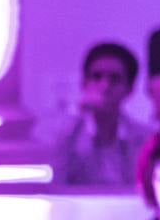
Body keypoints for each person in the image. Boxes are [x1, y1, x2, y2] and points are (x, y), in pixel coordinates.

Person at [43, 41, 153, 186]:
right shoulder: (64, 135)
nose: (105, 86)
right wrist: (77, 113)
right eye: (97, 77)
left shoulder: (146, 139)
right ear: (83, 84)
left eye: (115, 79)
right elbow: (55, 182)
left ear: (130, 88)